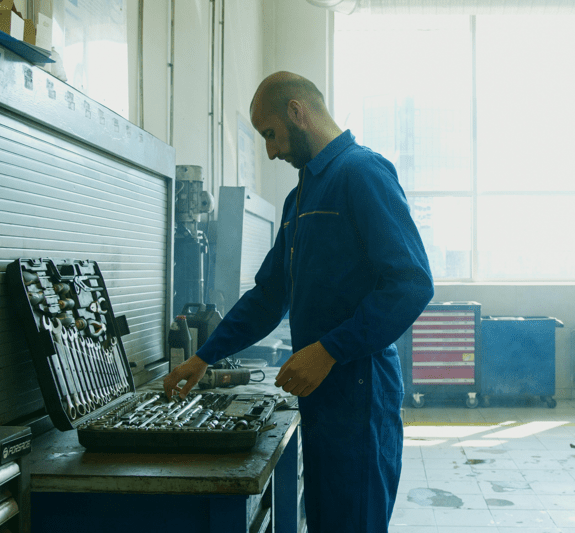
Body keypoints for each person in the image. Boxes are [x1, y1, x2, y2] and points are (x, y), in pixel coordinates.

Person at [163, 71, 434, 532]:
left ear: (297, 112)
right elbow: (270, 295)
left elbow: (411, 283)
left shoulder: (362, 173)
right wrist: (205, 357)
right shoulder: (301, 197)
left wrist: (329, 350)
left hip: (359, 400)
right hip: (322, 399)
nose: (270, 150)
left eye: (270, 133)